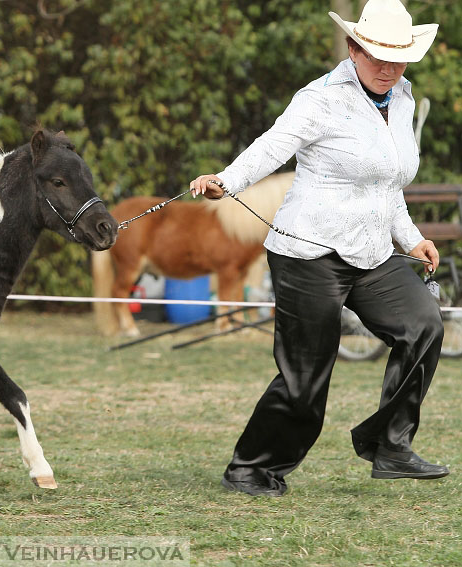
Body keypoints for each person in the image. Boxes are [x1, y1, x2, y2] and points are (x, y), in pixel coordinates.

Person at [189, 0, 448, 496]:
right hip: (308, 251)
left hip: (372, 253)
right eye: (377, 56)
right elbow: (273, 143)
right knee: (306, 378)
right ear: (353, 49)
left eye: (398, 59)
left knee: (423, 324)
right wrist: (227, 180)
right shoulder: (321, 97)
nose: (388, 68)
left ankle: (391, 446)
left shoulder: (404, 99)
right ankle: (251, 469)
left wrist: (412, 238)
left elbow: (388, 185)